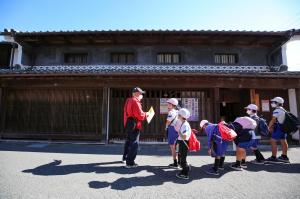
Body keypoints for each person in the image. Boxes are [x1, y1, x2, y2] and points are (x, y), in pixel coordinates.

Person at [122, 87, 149, 168]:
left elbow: (130, 112)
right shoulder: (135, 101)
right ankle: (130, 162)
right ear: (137, 94)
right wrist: (147, 114)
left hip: (128, 123)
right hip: (134, 124)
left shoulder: (128, 100)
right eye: (141, 94)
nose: (141, 95)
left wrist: (143, 113)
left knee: (128, 141)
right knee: (134, 143)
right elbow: (140, 115)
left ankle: (125, 157)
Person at [265, 97, 290, 163]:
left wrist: (268, 127)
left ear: (277, 103)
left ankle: (273, 157)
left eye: (273, 102)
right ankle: (284, 157)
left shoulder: (277, 110)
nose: (272, 103)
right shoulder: (283, 110)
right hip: (284, 127)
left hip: (279, 128)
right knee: (283, 141)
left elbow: (273, 120)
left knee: (272, 141)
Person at [175, 108, 192, 180]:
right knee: (181, 156)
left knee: (183, 159)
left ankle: (185, 173)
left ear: (182, 116)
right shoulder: (184, 122)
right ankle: (185, 168)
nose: (178, 116)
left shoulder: (185, 124)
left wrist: (179, 132)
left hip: (183, 143)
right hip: (180, 142)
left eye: (179, 115)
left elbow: (184, 136)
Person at [165, 98, 179, 168]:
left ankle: (175, 162)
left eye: (168, 103)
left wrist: (166, 127)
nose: (167, 104)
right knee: (177, 146)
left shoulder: (171, 112)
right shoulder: (177, 111)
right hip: (177, 129)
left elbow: (168, 122)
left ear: (172, 105)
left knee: (172, 146)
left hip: (172, 129)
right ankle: (179, 162)